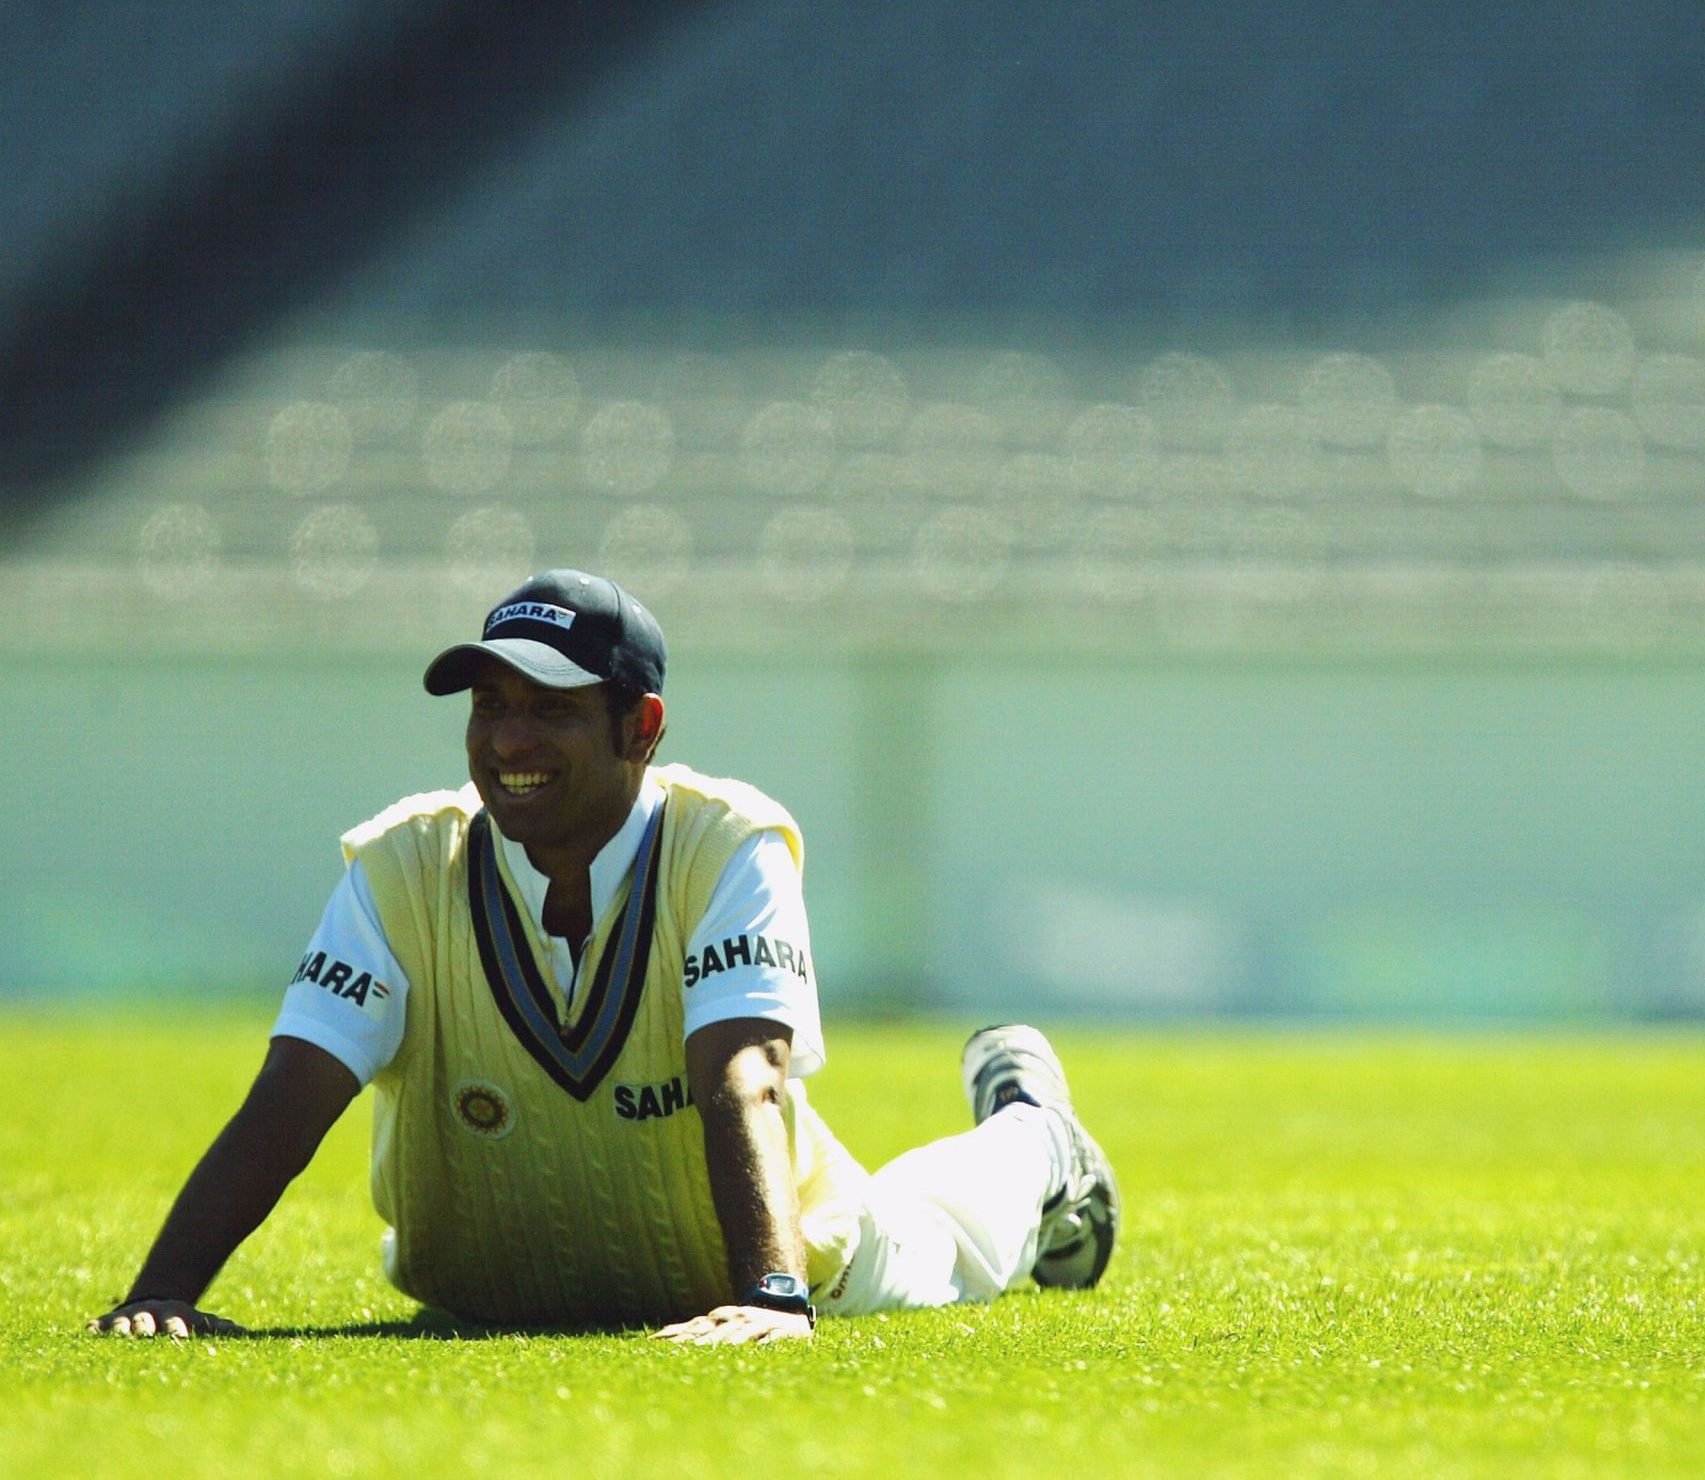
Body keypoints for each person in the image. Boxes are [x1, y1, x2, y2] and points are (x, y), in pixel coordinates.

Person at [89, 569, 1118, 1344]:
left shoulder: (729, 843)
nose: (507, 740)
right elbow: (290, 1099)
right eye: (489, 704)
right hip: (484, 1292)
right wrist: (160, 1293)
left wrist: (770, 1293)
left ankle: (1037, 1141)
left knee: (945, 1234)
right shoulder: (401, 864)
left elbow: (743, 1074)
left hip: (790, 1257)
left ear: (643, 727)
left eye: (552, 708)